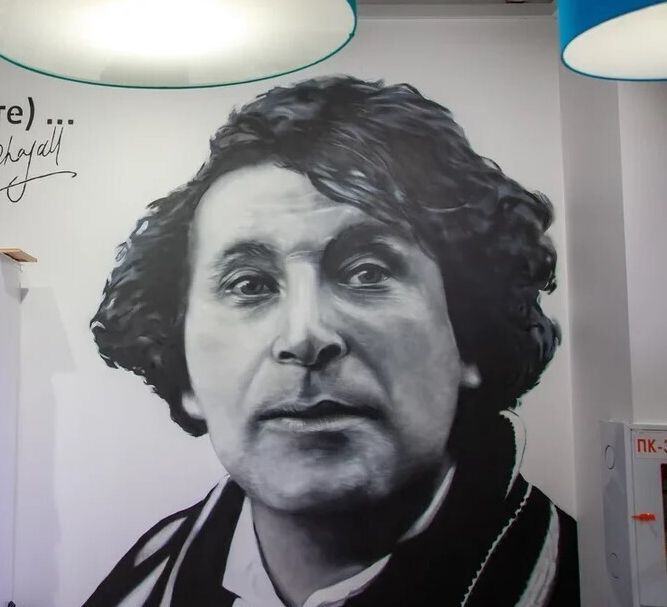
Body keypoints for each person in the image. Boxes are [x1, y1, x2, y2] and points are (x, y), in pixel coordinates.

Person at [85, 76, 579, 607]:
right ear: (185, 375)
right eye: (249, 285)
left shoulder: (584, 580)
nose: (305, 336)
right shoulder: (136, 586)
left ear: (469, 337)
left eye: (367, 272)